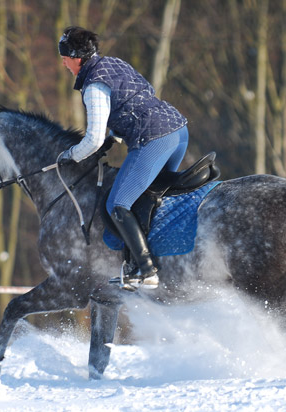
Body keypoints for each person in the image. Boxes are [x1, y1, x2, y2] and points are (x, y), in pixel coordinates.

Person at [57, 26, 188, 291]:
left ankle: (146, 269)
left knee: (118, 205)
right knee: (148, 199)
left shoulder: (94, 85)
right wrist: (115, 135)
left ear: (76, 57)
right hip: (179, 131)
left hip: (153, 139)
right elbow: (143, 94)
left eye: (65, 56)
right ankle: (148, 263)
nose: (62, 62)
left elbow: (92, 140)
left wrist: (71, 156)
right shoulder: (113, 63)